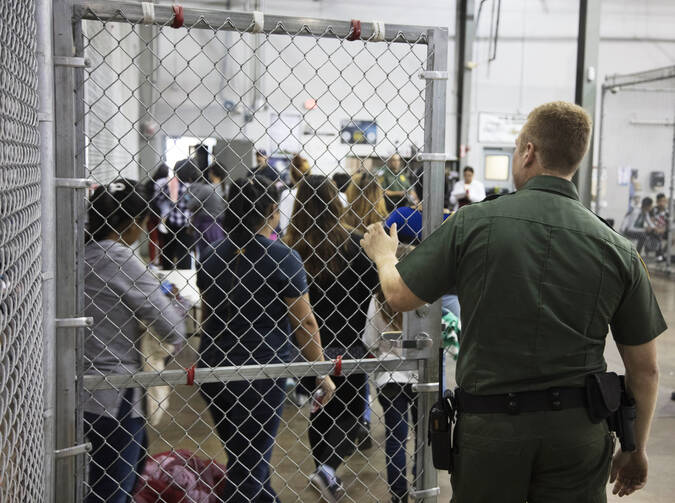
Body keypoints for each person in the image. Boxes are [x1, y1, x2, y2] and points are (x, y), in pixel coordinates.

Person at [361, 101, 665, 502]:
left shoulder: (473, 223)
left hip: (491, 430)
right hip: (577, 433)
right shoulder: (618, 250)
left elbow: (399, 296)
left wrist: (384, 255)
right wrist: (635, 449)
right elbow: (644, 371)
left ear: (528, 151)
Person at [198, 176, 335, 503]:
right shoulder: (283, 257)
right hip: (261, 372)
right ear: (273, 211)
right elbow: (304, 322)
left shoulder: (212, 255)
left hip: (214, 368)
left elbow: (208, 316)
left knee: (244, 457)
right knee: (250, 465)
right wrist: (321, 371)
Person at [83, 179, 187, 503]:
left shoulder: (79, 252)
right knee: (114, 488)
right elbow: (173, 328)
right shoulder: (120, 258)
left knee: (96, 482)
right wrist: (163, 299)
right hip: (116, 394)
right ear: (131, 223)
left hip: (76, 389)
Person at [284, 175, 379, 503]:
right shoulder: (353, 244)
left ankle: (323, 469)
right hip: (351, 342)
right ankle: (327, 469)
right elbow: (375, 287)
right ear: (335, 202)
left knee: (319, 410)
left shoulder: (291, 248)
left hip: (309, 346)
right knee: (351, 412)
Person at [362, 285, 418, 503]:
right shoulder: (422, 296)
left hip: (389, 378)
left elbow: (370, 341)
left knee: (395, 438)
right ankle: (422, 483)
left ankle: (398, 494)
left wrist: (388, 346)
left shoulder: (378, 299)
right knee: (424, 435)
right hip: (419, 373)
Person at [154, 159, 200, 269]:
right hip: (187, 224)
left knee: (168, 251)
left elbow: (158, 198)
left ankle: (167, 272)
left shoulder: (170, 184)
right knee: (184, 253)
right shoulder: (193, 187)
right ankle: (184, 276)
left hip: (172, 222)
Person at [278, 154, 312, 236]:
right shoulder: (315, 194)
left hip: (289, 239)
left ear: (292, 175)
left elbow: (283, 225)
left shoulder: (287, 194)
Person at [651, 193, 669, 261]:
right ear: (657, 202)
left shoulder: (667, 212)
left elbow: (668, 224)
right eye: (660, 201)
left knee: (671, 237)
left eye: (664, 201)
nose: (662, 203)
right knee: (658, 235)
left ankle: (662, 254)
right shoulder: (653, 210)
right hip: (655, 230)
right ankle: (659, 256)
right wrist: (656, 228)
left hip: (663, 230)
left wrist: (664, 229)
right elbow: (651, 221)